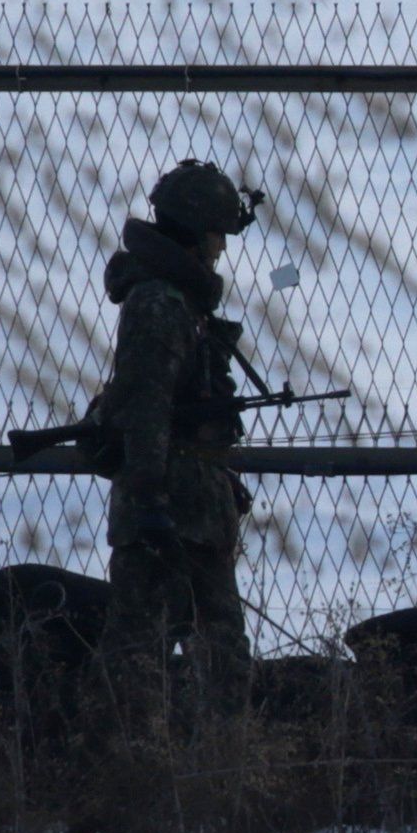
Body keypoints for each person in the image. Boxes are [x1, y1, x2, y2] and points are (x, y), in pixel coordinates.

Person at [87, 160, 264, 780]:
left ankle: (213, 782)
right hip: (167, 510)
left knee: (224, 660)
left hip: (192, 509)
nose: (221, 247)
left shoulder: (176, 301)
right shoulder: (160, 303)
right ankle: (116, 783)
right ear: (194, 232)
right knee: (138, 656)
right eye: (218, 233)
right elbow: (146, 410)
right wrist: (153, 504)